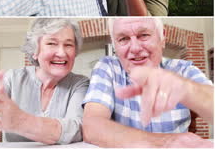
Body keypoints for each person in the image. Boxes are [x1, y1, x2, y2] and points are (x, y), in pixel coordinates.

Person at [82, 18, 213, 147]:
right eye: (123, 39)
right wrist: (165, 142)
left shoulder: (182, 69)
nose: (135, 48)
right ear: (114, 44)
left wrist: (188, 89)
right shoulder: (108, 67)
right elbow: (92, 126)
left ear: (162, 38)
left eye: (143, 35)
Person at [0, 19, 89, 144]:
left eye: (68, 45)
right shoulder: (12, 79)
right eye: (51, 43)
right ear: (35, 51)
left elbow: (77, 129)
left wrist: (20, 121)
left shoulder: (80, 84)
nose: (62, 53)